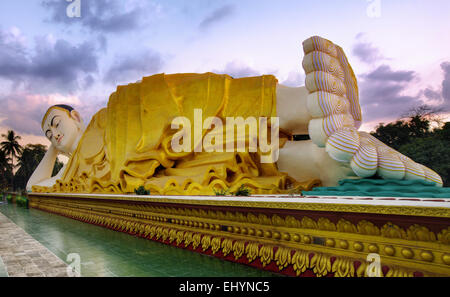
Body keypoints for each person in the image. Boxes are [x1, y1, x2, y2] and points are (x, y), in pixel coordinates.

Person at [27, 36, 442, 194]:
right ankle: (320, 161)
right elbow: (35, 188)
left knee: (175, 95)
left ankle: (304, 104)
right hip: (131, 161)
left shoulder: (103, 116)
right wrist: (51, 150)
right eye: (47, 131)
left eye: (56, 123)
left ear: (77, 117)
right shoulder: (73, 173)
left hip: (126, 119)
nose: (53, 134)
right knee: (215, 153)